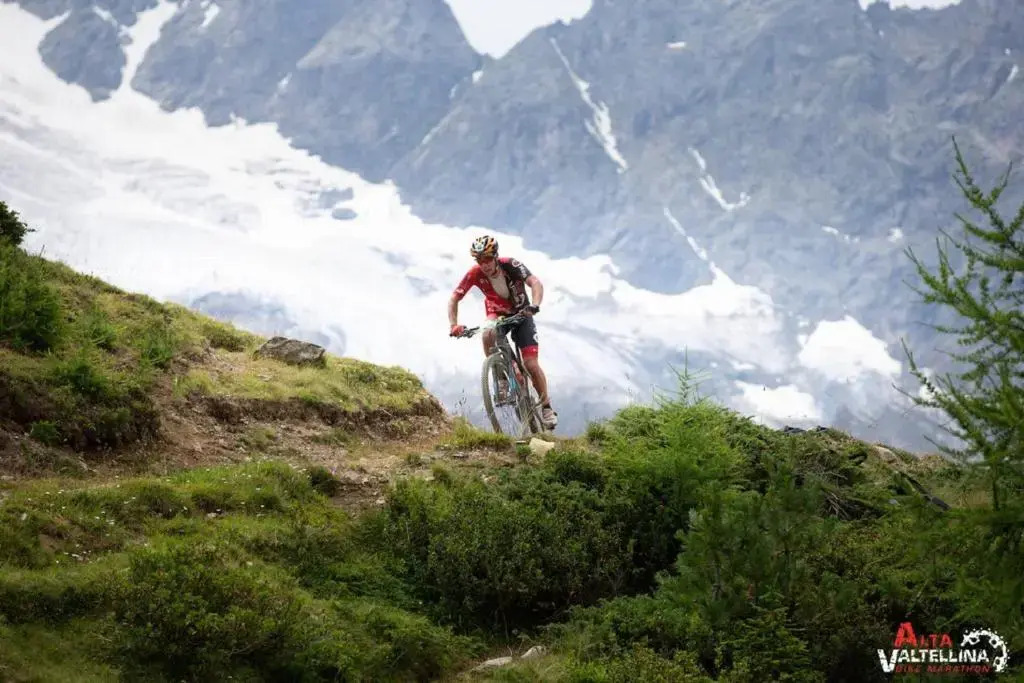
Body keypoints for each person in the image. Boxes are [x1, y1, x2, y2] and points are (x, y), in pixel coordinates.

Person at [448, 235, 558, 428]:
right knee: (487, 333)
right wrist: (454, 325)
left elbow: (535, 282)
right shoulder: (475, 273)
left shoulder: (511, 265)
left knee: (531, 364)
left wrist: (535, 304)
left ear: (495, 256)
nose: (484, 264)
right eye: (480, 260)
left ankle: (546, 407)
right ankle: (501, 381)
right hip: (498, 315)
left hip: (523, 315)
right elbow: (454, 298)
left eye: (488, 259)